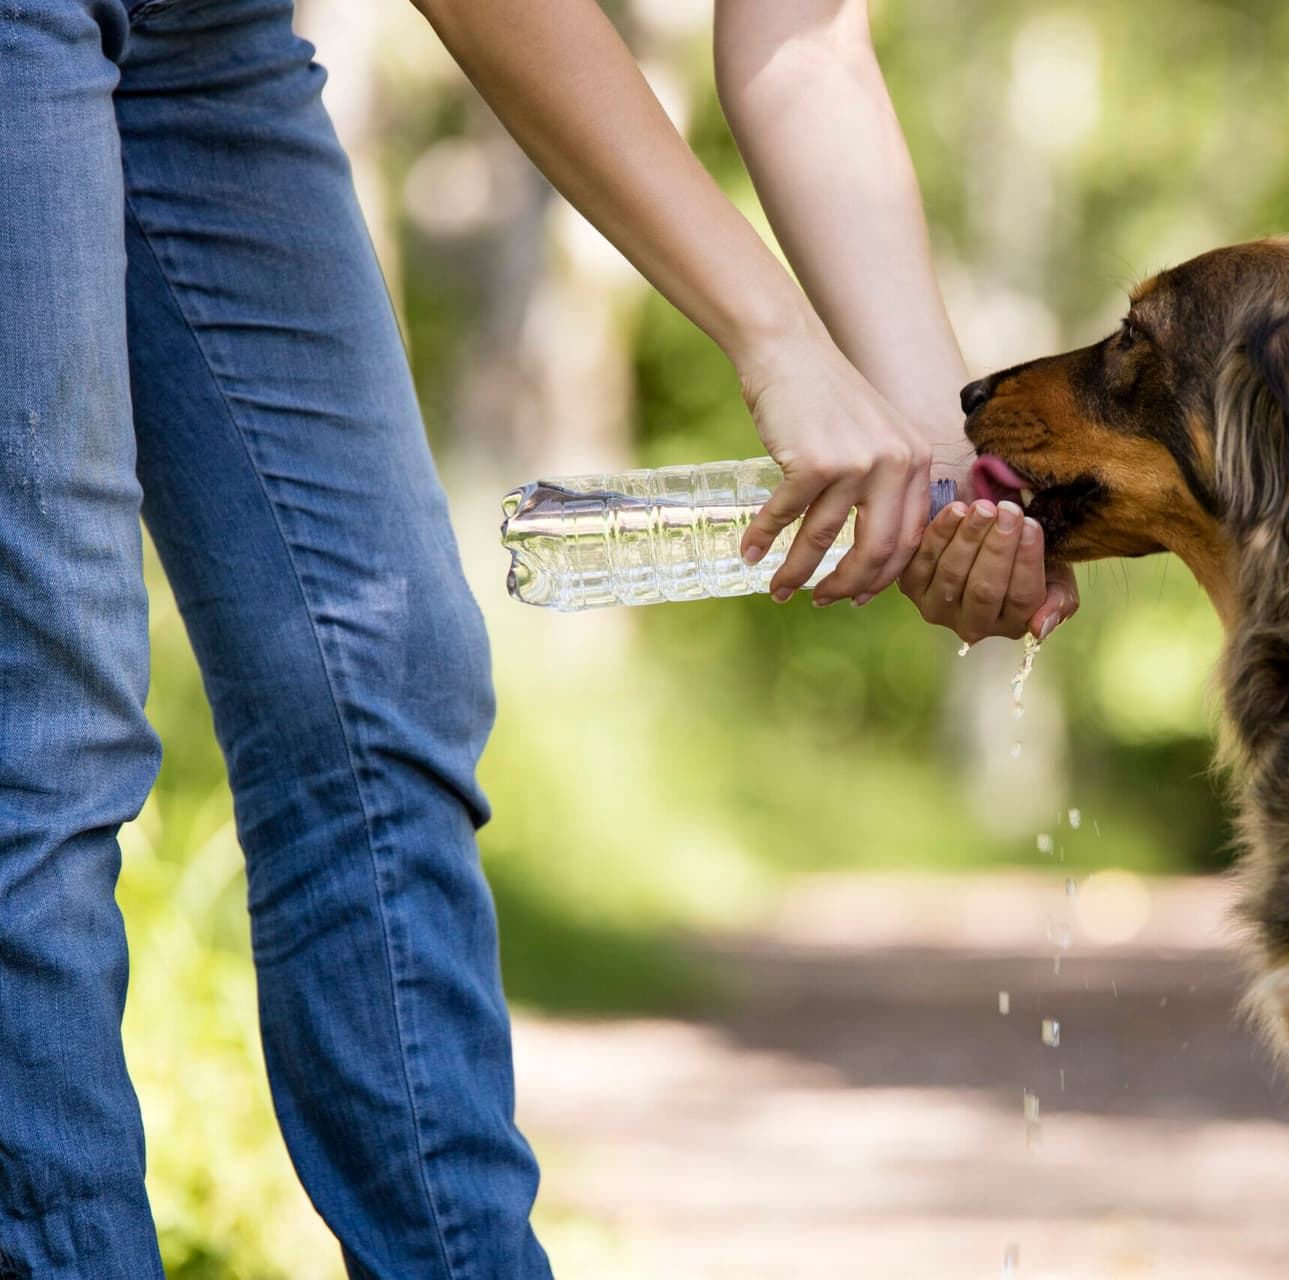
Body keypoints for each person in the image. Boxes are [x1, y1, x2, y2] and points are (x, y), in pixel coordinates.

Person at [0, 0, 1073, 1274]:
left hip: (213, 34)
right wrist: (776, 336)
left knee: (381, 673)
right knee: (47, 727)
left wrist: (949, 466)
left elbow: (806, 43)